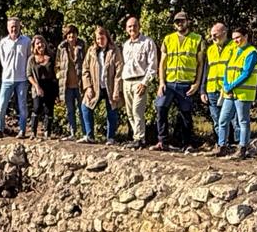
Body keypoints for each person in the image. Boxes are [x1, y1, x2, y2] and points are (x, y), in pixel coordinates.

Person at [156, 10, 203, 152]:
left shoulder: (197, 39)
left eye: (182, 21)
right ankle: (162, 141)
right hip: (169, 83)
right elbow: (162, 63)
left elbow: (200, 64)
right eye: (177, 21)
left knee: (186, 114)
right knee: (161, 108)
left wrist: (197, 83)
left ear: (187, 21)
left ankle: (187, 144)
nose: (179, 23)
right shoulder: (168, 39)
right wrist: (161, 83)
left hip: (186, 83)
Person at [79, 25, 123, 143]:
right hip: (95, 86)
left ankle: (111, 137)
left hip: (110, 86)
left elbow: (119, 71)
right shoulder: (91, 51)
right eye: (98, 39)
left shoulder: (114, 50)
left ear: (107, 37)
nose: (100, 41)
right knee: (85, 107)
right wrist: (88, 87)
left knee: (112, 111)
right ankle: (89, 135)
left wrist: (116, 89)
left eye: (102, 38)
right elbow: (85, 69)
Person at [120, 16, 158, 146]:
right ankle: (136, 137)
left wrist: (145, 82)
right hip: (127, 81)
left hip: (140, 80)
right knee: (130, 112)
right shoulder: (125, 45)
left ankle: (140, 138)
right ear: (126, 29)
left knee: (137, 110)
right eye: (129, 26)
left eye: (134, 25)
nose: (132, 28)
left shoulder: (147, 42)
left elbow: (152, 65)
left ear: (139, 26)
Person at [221, 28, 257, 157]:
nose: (236, 40)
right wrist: (226, 84)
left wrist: (231, 86)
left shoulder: (252, 53)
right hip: (230, 93)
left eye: (238, 37)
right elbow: (227, 69)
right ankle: (222, 146)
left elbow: (246, 73)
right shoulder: (234, 51)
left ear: (246, 36)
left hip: (243, 94)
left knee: (243, 121)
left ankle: (243, 148)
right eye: (234, 38)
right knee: (223, 120)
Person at [0, 16, 32, 139]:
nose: (14, 29)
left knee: (22, 105)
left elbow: (29, 59)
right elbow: (3, 60)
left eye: (16, 26)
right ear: (8, 28)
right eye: (11, 26)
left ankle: (22, 131)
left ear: (19, 27)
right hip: (7, 78)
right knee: (2, 105)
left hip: (22, 79)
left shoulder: (26, 41)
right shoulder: (3, 42)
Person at [202, 22, 234, 155]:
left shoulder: (233, 47)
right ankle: (221, 145)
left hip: (227, 90)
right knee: (216, 119)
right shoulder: (210, 50)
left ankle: (232, 145)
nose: (213, 37)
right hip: (211, 89)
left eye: (215, 34)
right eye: (211, 35)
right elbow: (206, 70)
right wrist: (202, 90)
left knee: (229, 119)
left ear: (224, 33)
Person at [56, 25, 86, 140]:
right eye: (69, 34)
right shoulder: (62, 48)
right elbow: (58, 64)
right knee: (70, 110)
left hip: (80, 84)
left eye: (73, 34)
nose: (71, 36)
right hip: (67, 85)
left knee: (83, 110)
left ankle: (85, 133)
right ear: (66, 36)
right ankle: (72, 133)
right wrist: (59, 75)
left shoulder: (82, 46)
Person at [27, 40, 58, 138]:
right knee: (36, 108)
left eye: (41, 43)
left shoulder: (51, 57)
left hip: (50, 85)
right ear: (34, 46)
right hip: (38, 85)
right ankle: (33, 132)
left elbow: (55, 72)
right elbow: (29, 75)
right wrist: (36, 86)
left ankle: (47, 132)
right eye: (37, 43)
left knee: (49, 109)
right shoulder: (32, 59)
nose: (40, 45)